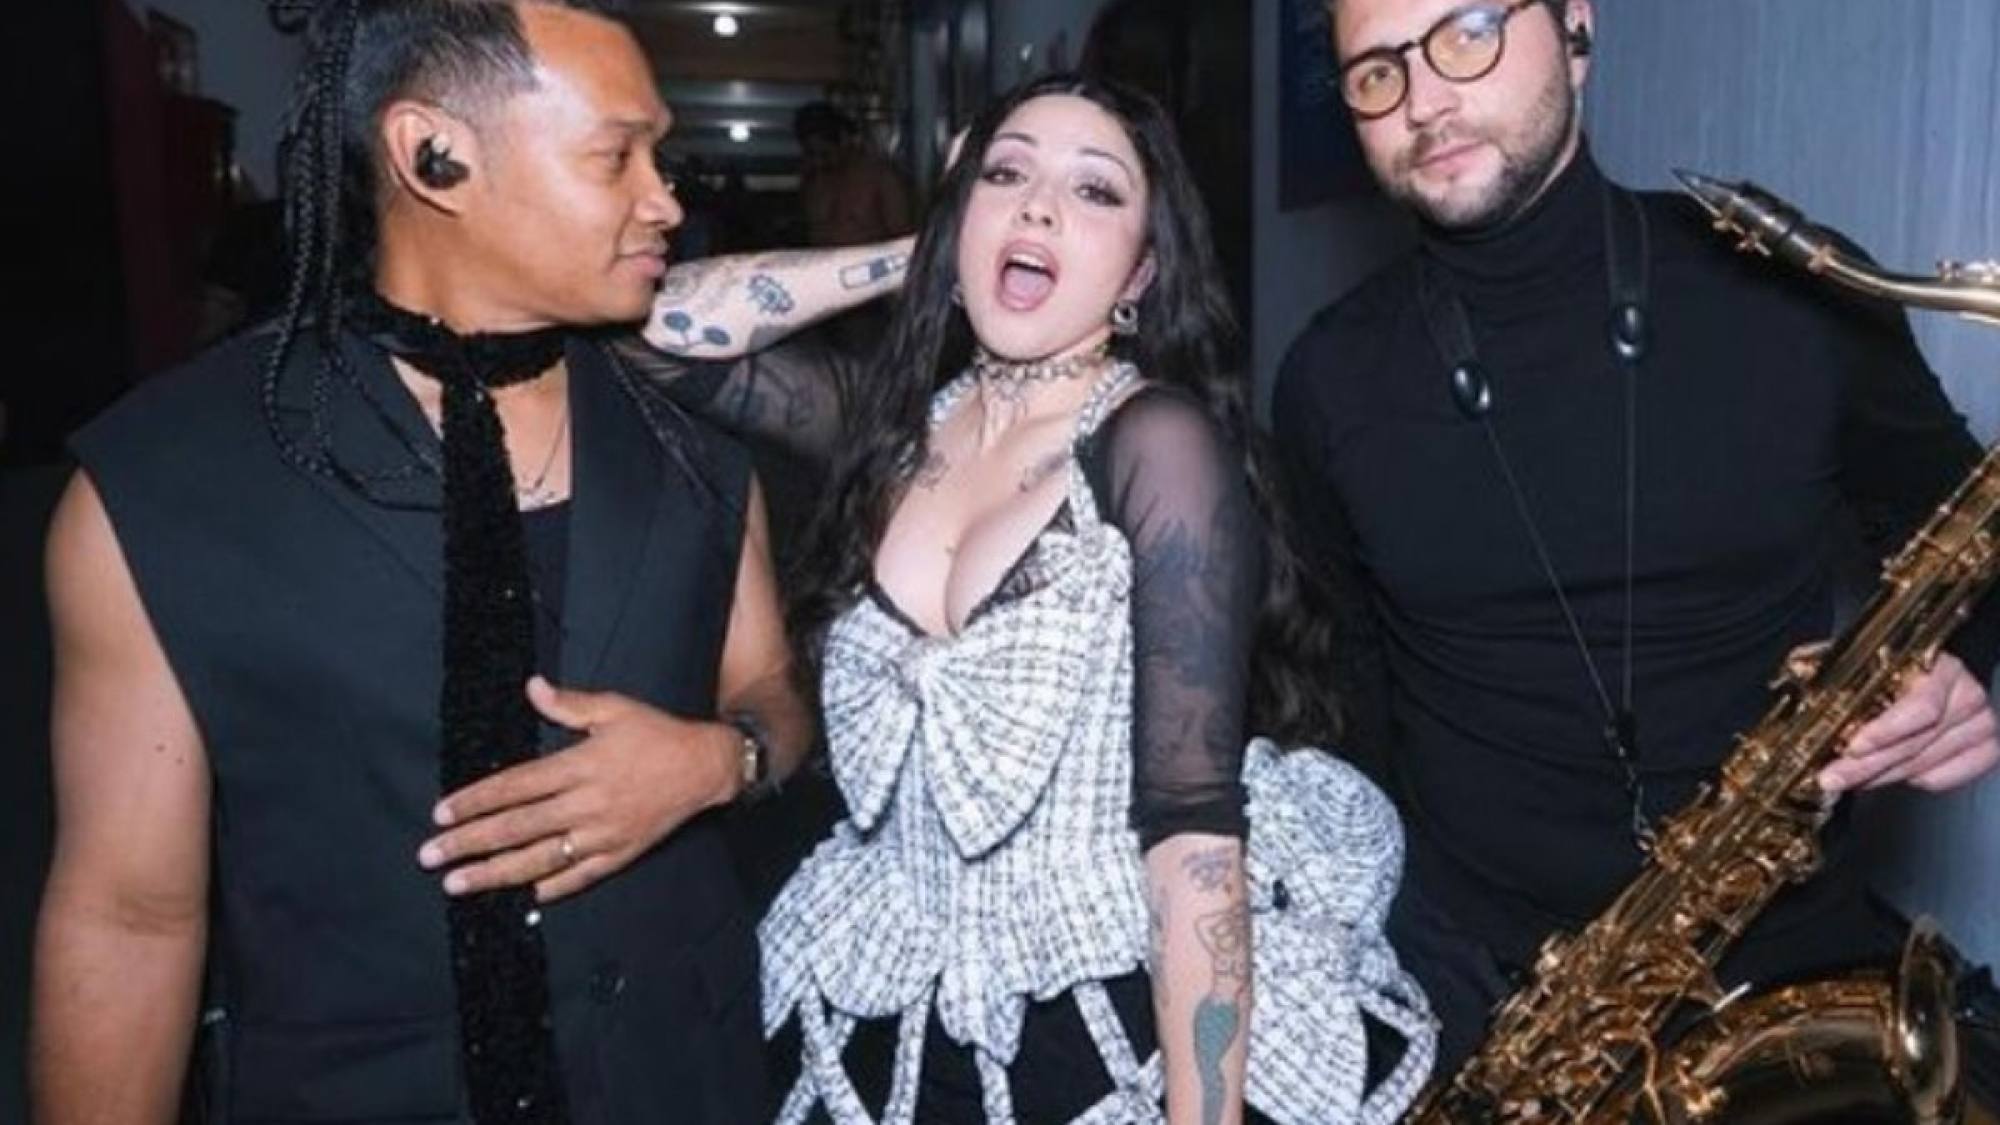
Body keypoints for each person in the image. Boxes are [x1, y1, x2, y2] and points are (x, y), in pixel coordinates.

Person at [29, 2, 896, 1121]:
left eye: (662, 156)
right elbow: (128, 917)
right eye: (615, 157)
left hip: (680, 1073)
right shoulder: (167, 484)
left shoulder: (690, 443)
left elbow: (772, 691)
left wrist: (716, 760)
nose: (665, 200)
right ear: (433, 154)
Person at [597, 72, 1437, 1124]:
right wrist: (927, 248)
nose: (1037, 207)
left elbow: (1191, 832)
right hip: (887, 989)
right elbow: (651, 328)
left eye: (1093, 190)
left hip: (1107, 1008)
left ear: (1140, 271)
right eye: (1005, 175)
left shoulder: (1155, 445)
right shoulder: (893, 427)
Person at [1274, 0, 2000, 1073]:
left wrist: (1960, 669)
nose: (1424, 99)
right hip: (1481, 1001)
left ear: (1575, 23)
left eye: (1466, 29)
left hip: (1786, 965)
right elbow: (1348, 710)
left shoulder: (1791, 291)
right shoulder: (1325, 381)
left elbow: (1968, 530)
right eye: (1374, 72)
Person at [795, 101, 915, 250]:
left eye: (825, 154)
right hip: (823, 261)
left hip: (870, 261)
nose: (818, 162)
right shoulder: (812, 181)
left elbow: (903, 239)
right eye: (811, 154)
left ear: (844, 139)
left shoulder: (882, 177)